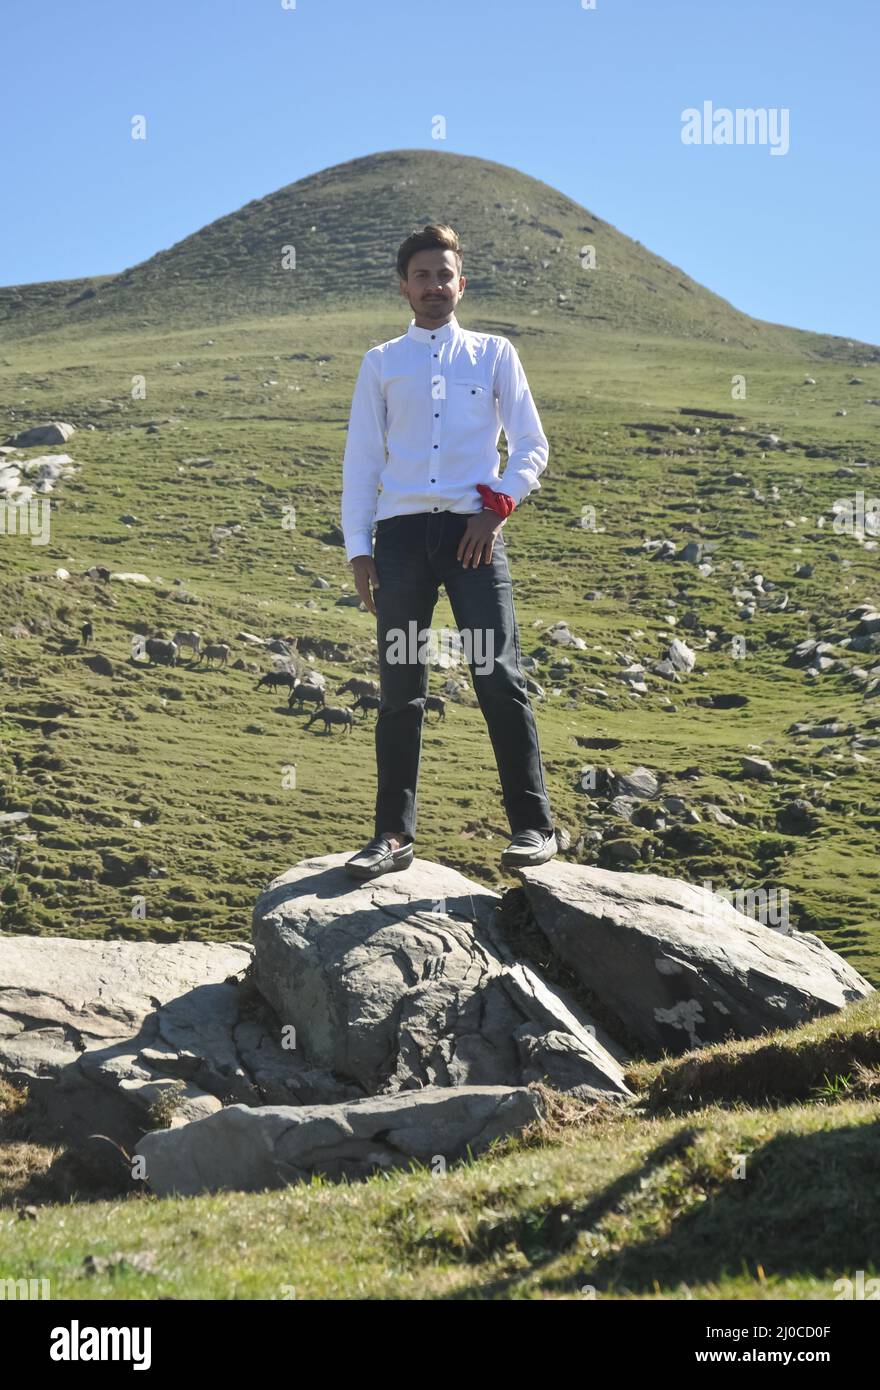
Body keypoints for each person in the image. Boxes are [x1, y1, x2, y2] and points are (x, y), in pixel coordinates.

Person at [341, 223, 556, 880]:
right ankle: (392, 838)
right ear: (404, 286)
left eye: (445, 274)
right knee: (401, 688)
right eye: (422, 275)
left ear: (462, 283)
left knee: (499, 677)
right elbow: (362, 461)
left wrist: (496, 511)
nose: (434, 287)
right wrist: (358, 549)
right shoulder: (381, 362)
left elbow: (531, 448)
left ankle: (534, 828)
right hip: (402, 539)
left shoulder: (494, 355)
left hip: (473, 535)